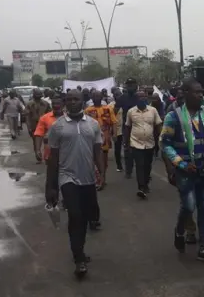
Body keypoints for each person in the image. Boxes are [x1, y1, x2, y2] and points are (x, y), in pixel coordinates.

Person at [45, 90, 105, 279]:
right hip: (67, 177)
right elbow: (53, 159)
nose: (72, 102)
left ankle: (80, 250)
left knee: (86, 216)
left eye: (76, 99)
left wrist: (102, 173)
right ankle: (78, 258)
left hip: (88, 178)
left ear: (82, 101)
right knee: (75, 215)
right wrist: (51, 186)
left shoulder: (93, 125)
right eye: (69, 99)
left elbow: (98, 151)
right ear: (65, 102)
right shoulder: (57, 127)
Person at [161, 78, 204, 264]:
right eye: (196, 92)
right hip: (185, 171)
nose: (201, 95)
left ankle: (203, 247)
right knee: (188, 206)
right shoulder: (174, 116)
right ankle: (180, 230)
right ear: (185, 93)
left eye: (202, 92)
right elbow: (165, 143)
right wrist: (180, 164)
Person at [125, 90, 162, 198]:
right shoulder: (131, 112)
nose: (142, 99)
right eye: (139, 97)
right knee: (140, 165)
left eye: (143, 97)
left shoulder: (153, 111)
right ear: (136, 99)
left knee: (147, 165)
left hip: (150, 143)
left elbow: (158, 125)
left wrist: (160, 139)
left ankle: (145, 183)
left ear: (146, 98)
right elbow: (127, 127)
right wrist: (126, 142)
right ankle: (141, 187)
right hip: (136, 143)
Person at [85, 91, 117, 189]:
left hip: (105, 138)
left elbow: (114, 122)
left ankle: (102, 178)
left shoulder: (108, 109)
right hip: (91, 138)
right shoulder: (87, 110)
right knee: (94, 159)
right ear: (92, 98)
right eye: (94, 96)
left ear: (102, 97)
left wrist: (115, 134)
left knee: (104, 160)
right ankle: (98, 180)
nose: (97, 98)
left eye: (98, 96)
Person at [114, 78, 140, 179]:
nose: (131, 87)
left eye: (132, 84)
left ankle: (142, 171)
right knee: (128, 149)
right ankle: (128, 171)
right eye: (129, 85)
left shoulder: (139, 98)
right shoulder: (122, 98)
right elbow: (115, 111)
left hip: (140, 126)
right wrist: (114, 126)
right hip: (127, 127)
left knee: (140, 148)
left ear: (136, 86)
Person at [34, 97, 63, 163]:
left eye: (58, 103)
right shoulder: (44, 118)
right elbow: (39, 134)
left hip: (66, 153)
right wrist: (38, 150)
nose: (55, 106)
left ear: (62, 105)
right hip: (50, 154)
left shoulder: (68, 117)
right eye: (53, 104)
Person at [26, 88, 51, 159]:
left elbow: (50, 114)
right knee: (36, 141)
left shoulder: (45, 104)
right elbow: (27, 117)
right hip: (34, 125)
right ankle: (38, 153)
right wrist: (29, 127)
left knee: (46, 141)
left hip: (44, 125)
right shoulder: (29, 104)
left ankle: (43, 154)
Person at [109, 88, 124, 172]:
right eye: (116, 95)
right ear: (114, 96)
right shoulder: (110, 106)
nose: (118, 97)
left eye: (119, 95)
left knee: (127, 148)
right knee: (117, 148)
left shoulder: (125, 104)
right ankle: (119, 165)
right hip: (116, 130)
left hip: (124, 129)